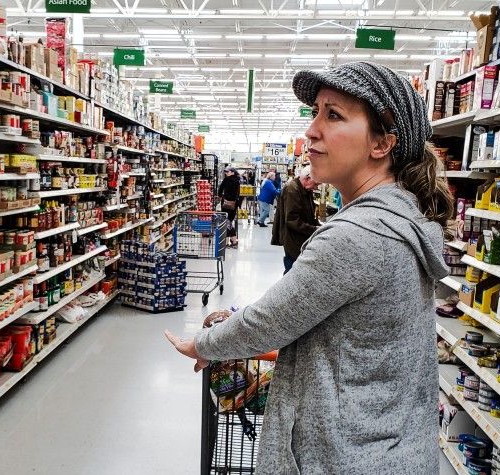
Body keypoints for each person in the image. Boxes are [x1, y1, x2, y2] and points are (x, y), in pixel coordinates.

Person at [165, 62, 454, 474]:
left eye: (333, 115)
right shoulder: (404, 219)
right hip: (391, 446)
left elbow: (271, 321)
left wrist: (203, 345)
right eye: (315, 112)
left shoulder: (357, 235)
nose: (312, 129)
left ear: (382, 144)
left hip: (344, 457)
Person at [270, 166, 319, 272]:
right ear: (307, 179)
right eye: (315, 184)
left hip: (300, 237)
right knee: (292, 270)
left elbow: (308, 213)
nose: (316, 188)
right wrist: (314, 229)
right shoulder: (292, 189)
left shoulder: (304, 189)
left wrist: (317, 224)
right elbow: (292, 220)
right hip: (293, 240)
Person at [217, 167, 241, 247]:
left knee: (226, 222)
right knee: (229, 221)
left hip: (226, 203)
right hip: (234, 204)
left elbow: (220, 190)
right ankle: (233, 241)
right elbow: (238, 194)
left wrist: (220, 196)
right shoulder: (238, 180)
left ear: (232, 172)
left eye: (227, 172)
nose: (226, 173)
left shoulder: (226, 179)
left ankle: (227, 242)